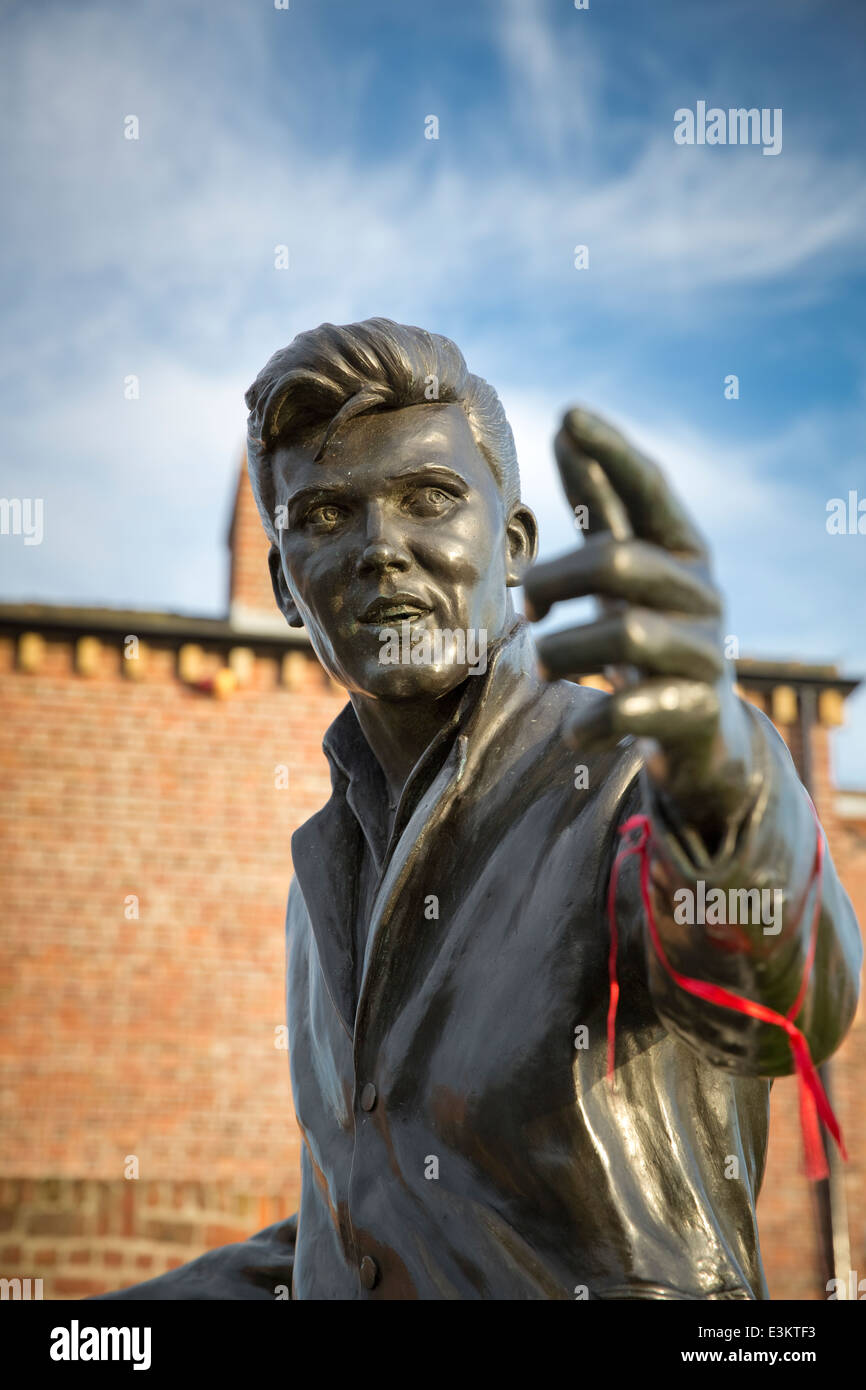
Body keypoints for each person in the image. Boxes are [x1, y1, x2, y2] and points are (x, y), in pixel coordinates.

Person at [99, 318, 860, 1300]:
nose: (379, 548)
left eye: (429, 499)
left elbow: (784, 1002)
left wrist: (726, 795)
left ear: (511, 547)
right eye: (324, 515)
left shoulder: (639, 781)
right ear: (286, 587)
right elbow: (367, 1223)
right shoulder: (323, 870)